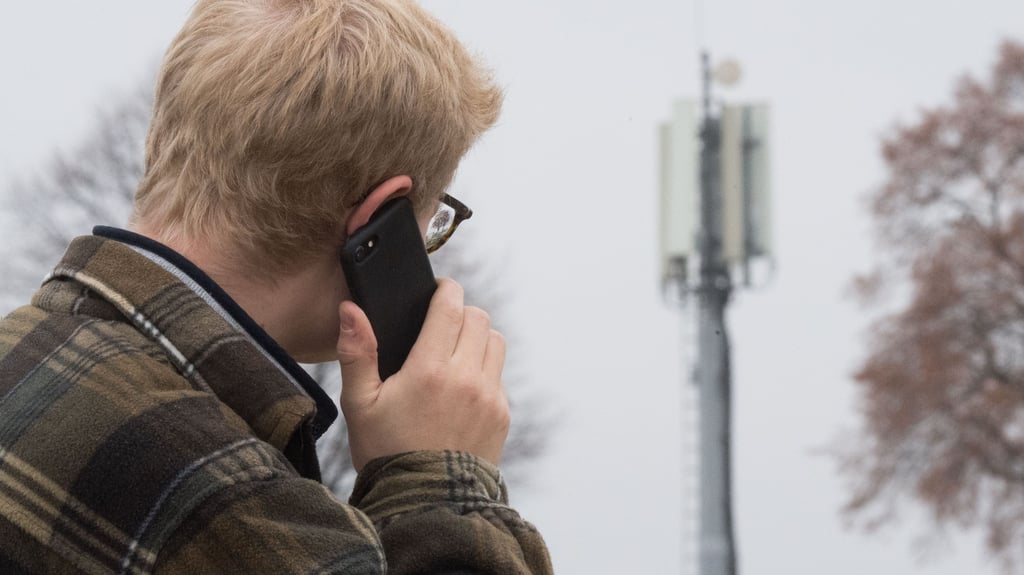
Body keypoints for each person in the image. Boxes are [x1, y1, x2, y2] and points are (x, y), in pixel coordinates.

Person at [0, 1, 553, 573]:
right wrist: (443, 483)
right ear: (376, 222)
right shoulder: (238, 506)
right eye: (433, 224)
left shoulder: (19, 353)